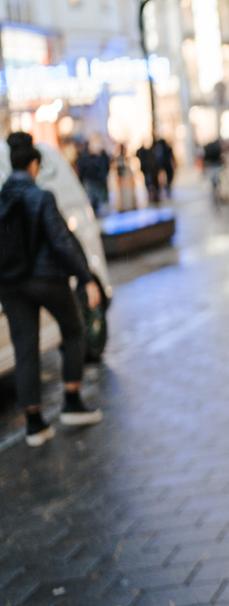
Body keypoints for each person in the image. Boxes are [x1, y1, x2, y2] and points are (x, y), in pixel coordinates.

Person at [0, 133, 104, 447]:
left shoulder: (2, 199)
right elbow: (62, 241)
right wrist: (86, 278)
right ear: (34, 165)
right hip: (46, 280)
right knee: (73, 331)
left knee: (25, 348)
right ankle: (72, 400)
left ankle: (35, 424)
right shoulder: (41, 197)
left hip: (10, 284)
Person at [76, 139, 111, 213]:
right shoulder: (88, 158)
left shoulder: (88, 158)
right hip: (94, 180)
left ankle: (97, 209)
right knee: (95, 197)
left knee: (96, 196)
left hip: (94, 180)